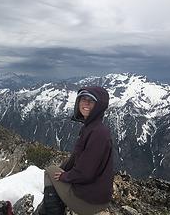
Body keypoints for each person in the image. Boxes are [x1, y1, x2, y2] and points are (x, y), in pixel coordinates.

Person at [38, 86, 114, 215]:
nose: (86, 103)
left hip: (89, 202)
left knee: (50, 172)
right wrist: (62, 170)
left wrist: (64, 176)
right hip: (93, 195)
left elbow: (85, 173)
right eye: (83, 99)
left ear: (99, 107)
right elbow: (76, 157)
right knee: (55, 171)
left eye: (91, 101)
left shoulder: (98, 133)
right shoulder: (91, 128)